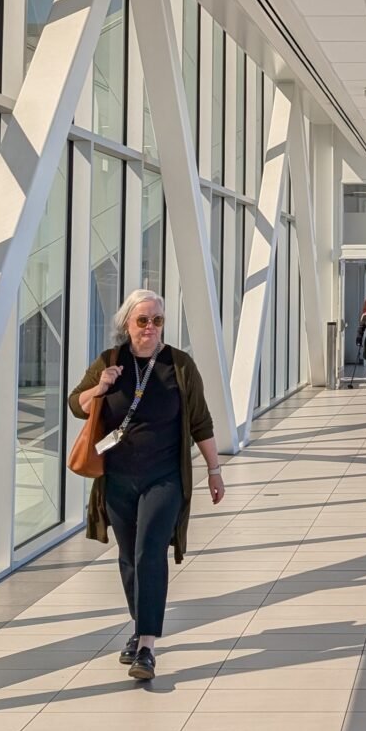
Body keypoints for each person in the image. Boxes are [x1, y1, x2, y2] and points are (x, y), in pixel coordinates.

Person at [69, 290, 225, 682]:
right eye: (143, 320)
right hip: (118, 478)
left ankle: (147, 647)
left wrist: (214, 469)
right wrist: (99, 388)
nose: (150, 327)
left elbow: (201, 421)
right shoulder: (110, 362)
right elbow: (75, 405)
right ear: (127, 324)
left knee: (149, 552)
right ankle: (140, 628)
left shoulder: (180, 365)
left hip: (165, 477)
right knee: (128, 557)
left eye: (157, 320)